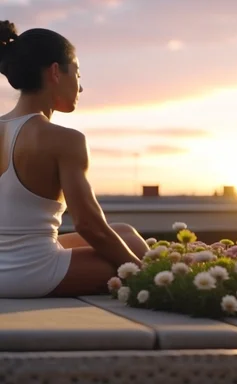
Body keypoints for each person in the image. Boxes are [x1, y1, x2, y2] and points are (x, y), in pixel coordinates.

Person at [0, 20, 149, 298]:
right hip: (29, 274)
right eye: (77, 74)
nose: (80, 88)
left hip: (8, 265)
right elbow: (89, 226)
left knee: (125, 233)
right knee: (135, 256)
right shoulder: (65, 140)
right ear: (56, 72)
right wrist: (144, 274)